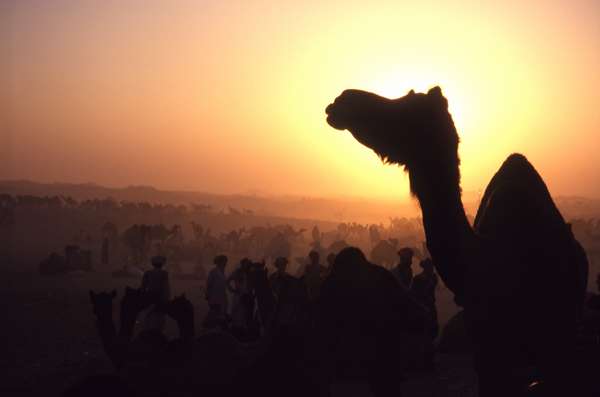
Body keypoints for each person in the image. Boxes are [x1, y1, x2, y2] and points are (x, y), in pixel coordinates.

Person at [410, 258, 439, 370]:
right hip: (423, 307)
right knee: (426, 333)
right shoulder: (419, 279)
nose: (431, 269)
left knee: (431, 331)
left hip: (429, 306)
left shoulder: (431, 278)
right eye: (430, 267)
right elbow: (415, 294)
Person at [140, 255, 171, 331]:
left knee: (147, 316)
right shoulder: (164, 273)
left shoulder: (147, 273)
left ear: (153, 264)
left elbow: (143, 287)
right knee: (160, 318)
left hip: (149, 297)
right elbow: (166, 287)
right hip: (160, 298)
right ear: (162, 265)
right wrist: (167, 298)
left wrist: (143, 297)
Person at [227, 258, 255, 337]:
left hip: (247, 297)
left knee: (245, 315)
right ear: (242, 264)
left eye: (248, 264)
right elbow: (228, 281)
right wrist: (233, 290)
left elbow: (252, 285)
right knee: (237, 314)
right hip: (239, 296)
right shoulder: (237, 272)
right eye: (245, 264)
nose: (247, 266)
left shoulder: (249, 273)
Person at [204, 254, 228, 329]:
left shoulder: (222, 272)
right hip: (214, 297)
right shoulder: (213, 272)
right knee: (214, 313)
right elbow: (209, 284)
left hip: (221, 297)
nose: (225, 264)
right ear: (220, 262)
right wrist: (208, 295)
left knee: (219, 314)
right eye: (224, 262)